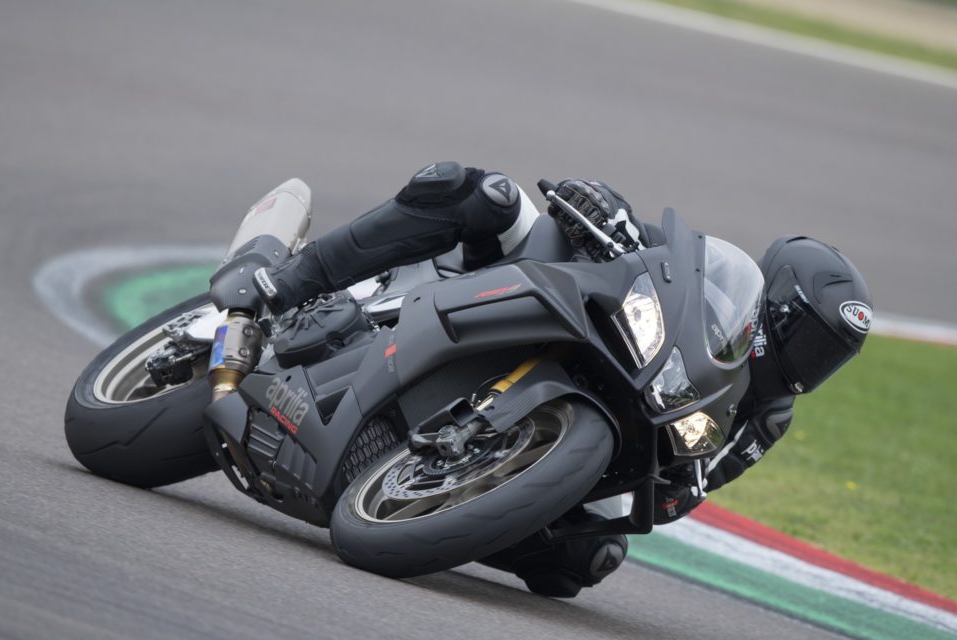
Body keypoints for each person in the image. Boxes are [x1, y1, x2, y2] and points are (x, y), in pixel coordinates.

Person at [253, 162, 873, 598]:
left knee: (583, 562)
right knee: (483, 194)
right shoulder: (713, 287)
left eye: (829, 357)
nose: (810, 362)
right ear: (776, 307)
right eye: (810, 340)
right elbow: (642, 245)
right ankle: (296, 280)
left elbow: (687, 492)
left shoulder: (767, 418)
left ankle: (433, 506)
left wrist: (673, 483)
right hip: (546, 297)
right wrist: (604, 209)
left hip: (618, 418)